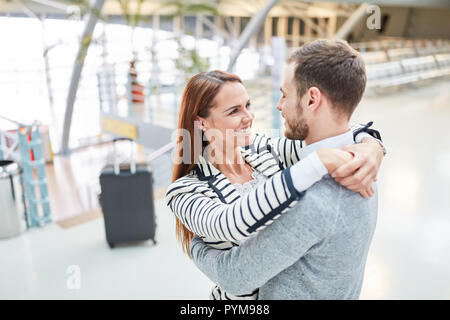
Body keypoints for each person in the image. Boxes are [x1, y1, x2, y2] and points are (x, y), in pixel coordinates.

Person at [166, 44, 384, 299]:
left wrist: (372, 145)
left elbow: (333, 130)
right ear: (202, 122)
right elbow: (228, 224)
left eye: (247, 105)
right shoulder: (184, 191)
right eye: (234, 110)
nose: (248, 117)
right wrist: (316, 163)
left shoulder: (265, 150)